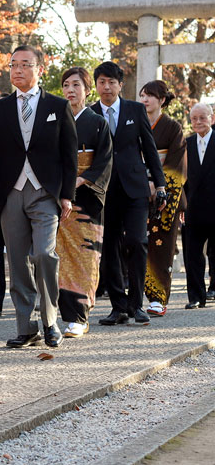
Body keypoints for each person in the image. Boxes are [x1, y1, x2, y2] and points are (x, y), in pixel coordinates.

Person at [0, 45, 77, 349]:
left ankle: (50, 321)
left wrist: (67, 196)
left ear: (40, 70)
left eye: (25, 64)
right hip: (11, 193)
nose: (18, 70)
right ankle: (27, 327)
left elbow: (69, 154)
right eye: (13, 65)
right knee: (18, 260)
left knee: (44, 254)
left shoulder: (58, 107)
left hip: (45, 192)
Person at [91, 61, 166, 326]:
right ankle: (118, 307)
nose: (107, 87)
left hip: (134, 189)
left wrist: (160, 185)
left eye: (112, 82)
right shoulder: (90, 114)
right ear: (96, 85)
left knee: (137, 241)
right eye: (102, 82)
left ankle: (137, 304)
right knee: (108, 247)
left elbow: (149, 148)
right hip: (103, 192)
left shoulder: (136, 109)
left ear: (121, 85)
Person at [57, 67, 112, 338]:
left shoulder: (98, 122)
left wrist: (81, 180)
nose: (70, 90)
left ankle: (80, 316)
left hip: (87, 201)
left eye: (76, 85)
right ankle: (66, 314)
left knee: (85, 256)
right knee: (60, 256)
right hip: (59, 198)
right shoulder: (56, 120)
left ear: (87, 89)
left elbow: (103, 161)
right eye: (66, 85)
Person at [139, 80, 186, 317]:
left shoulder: (172, 128)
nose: (145, 100)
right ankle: (134, 294)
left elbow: (177, 165)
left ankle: (158, 297)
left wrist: (160, 188)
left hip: (162, 194)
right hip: (136, 190)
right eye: (142, 95)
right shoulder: (134, 123)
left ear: (162, 100)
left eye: (150, 96)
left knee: (161, 244)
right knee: (134, 243)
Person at [182, 103, 215, 309]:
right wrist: (180, 207)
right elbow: (180, 179)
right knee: (192, 253)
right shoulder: (185, 144)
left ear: (211, 118)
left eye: (202, 117)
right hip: (192, 208)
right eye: (194, 118)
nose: (198, 122)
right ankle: (195, 296)